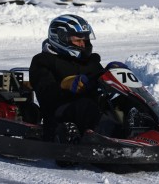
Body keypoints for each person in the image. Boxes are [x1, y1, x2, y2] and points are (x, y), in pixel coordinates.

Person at [29, 14, 105, 142]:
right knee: (86, 105)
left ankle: (138, 129)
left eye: (85, 40)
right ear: (61, 38)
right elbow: (45, 92)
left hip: (92, 108)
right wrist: (64, 84)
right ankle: (95, 139)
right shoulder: (43, 61)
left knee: (120, 102)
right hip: (59, 115)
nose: (82, 44)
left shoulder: (91, 61)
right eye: (78, 40)